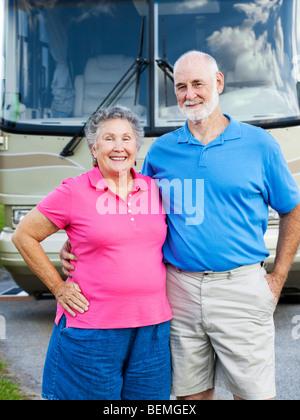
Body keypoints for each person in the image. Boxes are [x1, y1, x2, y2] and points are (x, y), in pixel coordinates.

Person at [61, 51, 300, 401]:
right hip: (179, 290)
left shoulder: (259, 144)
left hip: (241, 287)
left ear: (218, 83)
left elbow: (292, 209)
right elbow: (128, 203)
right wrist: (78, 242)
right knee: (189, 397)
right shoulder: (161, 152)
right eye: (181, 86)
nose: (190, 95)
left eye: (198, 84)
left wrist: (277, 278)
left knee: (254, 396)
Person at [12, 105, 172, 400]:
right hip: (92, 331)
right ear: (94, 148)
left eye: (126, 139)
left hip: (152, 330)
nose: (119, 147)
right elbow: (24, 235)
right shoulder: (74, 191)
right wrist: (58, 287)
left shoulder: (155, 190)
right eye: (109, 139)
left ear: (137, 147)